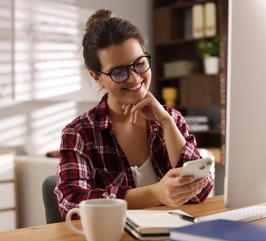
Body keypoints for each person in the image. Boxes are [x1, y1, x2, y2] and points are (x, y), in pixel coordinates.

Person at [54, 9, 214, 220]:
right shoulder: (79, 133)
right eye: (119, 72)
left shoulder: (171, 118)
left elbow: (201, 190)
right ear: (96, 77)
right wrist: (154, 193)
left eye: (139, 64)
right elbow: (71, 203)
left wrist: (166, 122)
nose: (134, 78)